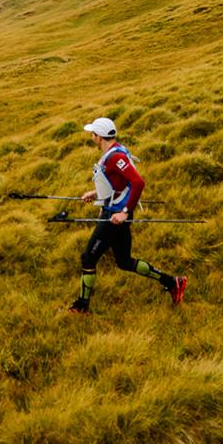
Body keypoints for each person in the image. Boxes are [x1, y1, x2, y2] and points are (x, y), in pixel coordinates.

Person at [68, 117, 187, 314]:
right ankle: (173, 282)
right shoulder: (115, 151)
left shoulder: (115, 157)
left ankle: (82, 306)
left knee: (88, 258)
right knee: (124, 261)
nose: (91, 137)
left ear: (98, 137)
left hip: (114, 217)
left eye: (92, 134)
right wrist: (96, 193)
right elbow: (119, 183)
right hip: (113, 213)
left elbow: (138, 182)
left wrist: (124, 212)